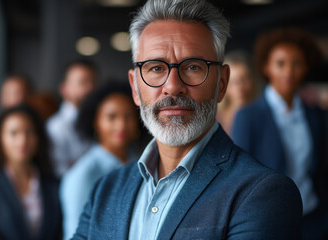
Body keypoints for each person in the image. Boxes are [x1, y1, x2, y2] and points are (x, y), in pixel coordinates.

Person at [72, 0, 303, 239]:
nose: (172, 87)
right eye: (156, 68)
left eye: (193, 67)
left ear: (221, 83)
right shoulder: (104, 191)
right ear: (134, 87)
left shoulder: (263, 193)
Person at [232, 28, 328, 239]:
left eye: (297, 64)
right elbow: (239, 177)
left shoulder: (316, 115)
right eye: (280, 63)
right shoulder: (249, 116)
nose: (288, 72)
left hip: (313, 219)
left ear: (306, 68)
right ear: (266, 67)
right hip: (270, 221)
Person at [60, 82, 140, 240]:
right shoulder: (81, 175)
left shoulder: (143, 164)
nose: (121, 125)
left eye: (128, 116)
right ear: (95, 121)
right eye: (112, 117)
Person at [0, 105, 62, 240]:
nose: (22, 140)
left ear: (39, 137)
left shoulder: (55, 185)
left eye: (29, 132)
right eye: (13, 133)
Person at [46, 60, 97, 177]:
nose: (90, 88)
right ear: (64, 89)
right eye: (82, 82)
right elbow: (59, 171)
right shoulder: (56, 127)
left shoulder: (98, 120)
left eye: (93, 82)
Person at [216, 50, 259, 136]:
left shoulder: (264, 116)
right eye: (233, 81)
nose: (240, 87)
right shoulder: (215, 121)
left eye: (244, 79)